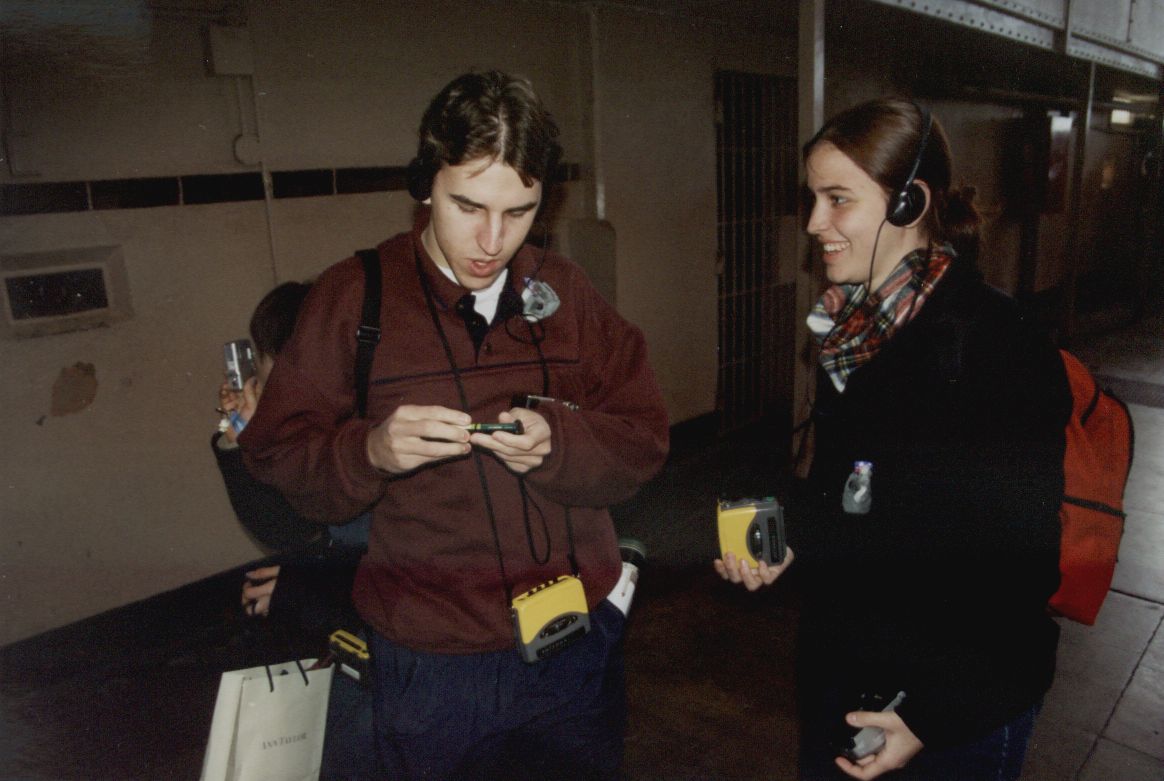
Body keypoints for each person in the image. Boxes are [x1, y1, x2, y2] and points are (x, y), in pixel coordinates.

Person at [239, 70, 670, 780]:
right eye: (467, 205)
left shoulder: (565, 292)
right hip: (433, 671)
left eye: (519, 211)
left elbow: (644, 438)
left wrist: (562, 445)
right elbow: (277, 455)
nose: (492, 240)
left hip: (572, 649)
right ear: (424, 183)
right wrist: (370, 452)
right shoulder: (355, 297)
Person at [715, 98, 1070, 781]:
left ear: (909, 203)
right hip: (848, 677)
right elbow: (855, 500)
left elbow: (1020, 567)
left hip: (954, 704)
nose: (813, 222)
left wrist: (931, 715)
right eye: (813, 198)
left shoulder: (999, 345)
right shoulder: (854, 333)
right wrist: (786, 538)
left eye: (838, 199)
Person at [213, 281, 375, 780]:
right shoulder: (320, 432)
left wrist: (302, 588)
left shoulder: (366, 439)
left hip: (395, 667)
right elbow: (287, 530)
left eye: (266, 368)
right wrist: (244, 442)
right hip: (357, 651)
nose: (258, 380)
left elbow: (372, 563)